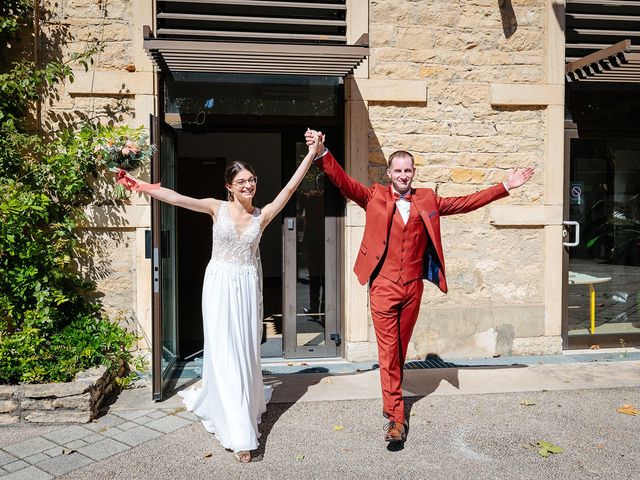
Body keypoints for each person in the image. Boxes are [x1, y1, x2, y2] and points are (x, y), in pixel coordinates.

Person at [305, 129, 534, 444]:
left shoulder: (427, 198)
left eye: (407, 170)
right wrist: (322, 153)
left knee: (398, 351)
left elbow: (465, 203)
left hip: (413, 288)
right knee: (387, 353)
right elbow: (343, 181)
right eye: (397, 170)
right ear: (389, 173)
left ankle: (393, 396)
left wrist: (505, 185)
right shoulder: (373, 195)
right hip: (383, 287)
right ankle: (396, 419)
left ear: (413, 173)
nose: (402, 175)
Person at [120, 130, 322, 463]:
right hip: (218, 285)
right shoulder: (216, 208)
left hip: (245, 286)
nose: (248, 186)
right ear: (228, 186)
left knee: (243, 349)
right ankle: (241, 434)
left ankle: (243, 404)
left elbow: (290, 188)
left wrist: (311, 153)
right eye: (241, 181)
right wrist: (141, 186)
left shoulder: (264, 214)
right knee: (224, 351)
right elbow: (177, 198)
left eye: (252, 180)